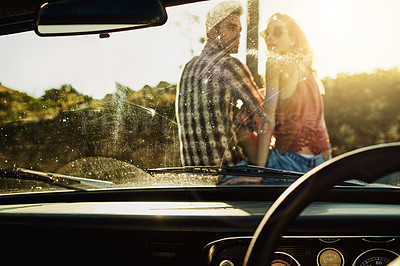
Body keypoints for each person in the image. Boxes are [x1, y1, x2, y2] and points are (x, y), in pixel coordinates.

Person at [176, 1, 266, 168]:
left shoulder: (188, 67)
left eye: (239, 30)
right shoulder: (230, 65)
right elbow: (262, 118)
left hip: (192, 177)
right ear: (211, 30)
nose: (238, 35)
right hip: (228, 172)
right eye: (231, 27)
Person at [257, 13, 332, 173]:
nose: (269, 37)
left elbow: (267, 118)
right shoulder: (308, 68)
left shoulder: (274, 62)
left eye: (277, 32)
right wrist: (327, 152)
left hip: (289, 162)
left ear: (293, 39)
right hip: (320, 162)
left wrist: (258, 171)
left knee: (228, 183)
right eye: (266, 33)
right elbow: (318, 117)